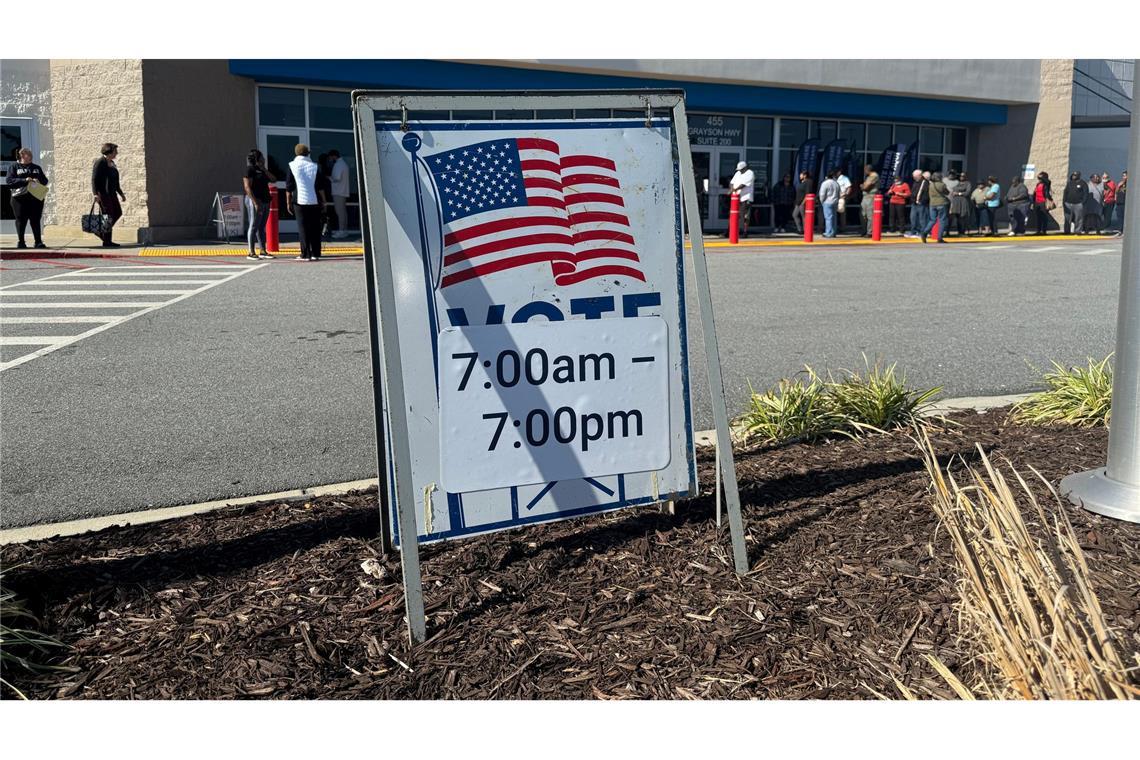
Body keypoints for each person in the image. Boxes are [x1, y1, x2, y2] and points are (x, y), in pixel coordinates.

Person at [286, 143, 325, 261]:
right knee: (315, 227)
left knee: (303, 227)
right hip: (314, 200)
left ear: (296, 153)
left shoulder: (292, 165)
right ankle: (316, 253)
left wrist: (288, 202)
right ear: (308, 153)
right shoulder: (315, 166)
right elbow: (320, 186)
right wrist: (324, 201)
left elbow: (289, 186)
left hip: (299, 200)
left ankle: (305, 254)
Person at [6, 147, 49, 249]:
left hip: (36, 198)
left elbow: (45, 180)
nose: (30, 156)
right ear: (21, 156)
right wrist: (25, 180)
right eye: (28, 155)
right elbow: (9, 181)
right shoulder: (14, 167)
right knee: (21, 220)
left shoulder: (36, 167)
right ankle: (21, 242)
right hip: (19, 198)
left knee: (35, 220)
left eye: (31, 155)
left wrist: (39, 181)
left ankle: (38, 242)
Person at [91, 142, 127, 247]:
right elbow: (94, 179)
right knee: (108, 216)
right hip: (103, 194)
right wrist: (95, 194)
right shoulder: (100, 162)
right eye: (115, 151)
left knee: (118, 212)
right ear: (109, 151)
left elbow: (115, 181)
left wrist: (121, 194)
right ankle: (107, 241)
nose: (117, 153)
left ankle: (102, 233)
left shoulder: (112, 163)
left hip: (112, 194)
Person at [243, 148, 275, 260]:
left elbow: (274, 179)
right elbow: (247, 187)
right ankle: (251, 252)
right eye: (262, 157)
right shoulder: (250, 170)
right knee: (253, 226)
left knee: (262, 226)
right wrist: (255, 202)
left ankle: (263, 250)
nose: (264, 158)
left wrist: (264, 169)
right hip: (255, 201)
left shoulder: (261, 170)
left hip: (265, 200)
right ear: (257, 158)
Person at [329, 149, 352, 239]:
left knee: (340, 212)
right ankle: (344, 230)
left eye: (331, 157)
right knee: (343, 212)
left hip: (339, 191)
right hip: (342, 191)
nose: (330, 159)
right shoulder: (343, 164)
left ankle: (342, 230)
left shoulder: (339, 165)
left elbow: (337, 178)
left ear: (334, 156)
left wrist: (329, 178)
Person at [728, 160, 755, 237]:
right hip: (736, 197)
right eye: (739, 170)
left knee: (745, 216)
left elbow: (744, 184)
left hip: (746, 198)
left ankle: (745, 232)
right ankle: (732, 231)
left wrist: (733, 190)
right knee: (735, 215)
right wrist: (732, 189)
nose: (740, 171)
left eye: (741, 169)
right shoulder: (738, 173)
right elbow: (732, 182)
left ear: (745, 168)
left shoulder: (750, 173)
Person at [922, 171, 949, 244]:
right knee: (942, 220)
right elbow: (947, 192)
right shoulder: (942, 185)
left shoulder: (931, 185)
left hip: (932, 204)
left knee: (932, 220)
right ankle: (939, 237)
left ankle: (925, 232)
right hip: (941, 203)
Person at [818, 169, 841, 239]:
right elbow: (839, 193)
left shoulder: (825, 183)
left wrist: (822, 201)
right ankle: (833, 232)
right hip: (835, 202)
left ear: (826, 177)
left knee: (828, 218)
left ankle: (828, 232)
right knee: (834, 218)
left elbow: (822, 194)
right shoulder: (836, 183)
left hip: (827, 202)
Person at [948, 171, 973, 236]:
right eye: (961, 176)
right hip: (956, 201)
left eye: (963, 176)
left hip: (963, 201)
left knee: (962, 217)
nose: (962, 177)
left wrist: (959, 193)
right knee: (956, 216)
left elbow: (967, 192)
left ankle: (962, 231)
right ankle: (950, 231)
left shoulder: (968, 183)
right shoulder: (957, 183)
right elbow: (952, 191)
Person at [907, 170, 928, 238]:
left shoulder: (925, 182)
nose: (914, 178)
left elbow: (926, 194)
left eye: (915, 176)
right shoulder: (915, 182)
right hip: (914, 203)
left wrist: (922, 201)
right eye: (913, 176)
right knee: (913, 218)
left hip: (921, 203)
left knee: (921, 219)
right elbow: (913, 191)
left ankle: (922, 232)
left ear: (920, 175)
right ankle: (913, 231)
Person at [859, 163, 879, 236]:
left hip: (870, 197)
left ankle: (870, 232)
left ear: (867, 169)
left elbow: (866, 187)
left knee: (870, 215)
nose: (864, 171)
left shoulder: (874, 175)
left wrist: (862, 186)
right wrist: (863, 186)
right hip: (865, 196)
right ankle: (864, 230)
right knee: (863, 214)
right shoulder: (868, 176)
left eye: (865, 169)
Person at [792, 171, 814, 235]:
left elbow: (808, 193)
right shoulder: (802, 182)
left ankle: (805, 230)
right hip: (798, 202)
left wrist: (803, 202)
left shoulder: (808, 182)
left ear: (805, 175)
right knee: (794, 215)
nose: (800, 176)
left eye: (801, 175)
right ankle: (800, 229)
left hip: (803, 202)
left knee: (804, 216)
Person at [835, 167, 851, 233]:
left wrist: (845, 195)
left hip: (842, 198)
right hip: (835, 198)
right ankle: (835, 228)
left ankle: (842, 228)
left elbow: (849, 187)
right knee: (835, 214)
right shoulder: (834, 179)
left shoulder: (844, 178)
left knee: (842, 213)